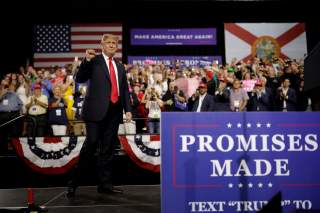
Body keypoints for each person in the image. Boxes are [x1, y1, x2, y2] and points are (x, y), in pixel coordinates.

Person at [67, 34, 132, 197]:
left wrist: (128, 109)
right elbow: (80, 78)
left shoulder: (120, 66)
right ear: (102, 45)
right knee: (91, 144)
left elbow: (124, 90)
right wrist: (86, 61)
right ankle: (73, 183)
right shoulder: (94, 61)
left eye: (114, 43)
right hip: (95, 112)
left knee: (108, 149)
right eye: (108, 42)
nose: (111, 45)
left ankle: (105, 185)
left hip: (114, 112)